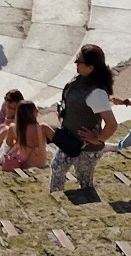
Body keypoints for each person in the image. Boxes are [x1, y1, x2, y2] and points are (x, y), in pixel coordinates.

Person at [51, 44, 119, 198]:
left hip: (86, 148)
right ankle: (55, 200)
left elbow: (112, 124)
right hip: (68, 139)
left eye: (78, 61)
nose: (76, 64)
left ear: (90, 67)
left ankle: (91, 206)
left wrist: (99, 139)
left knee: (85, 182)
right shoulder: (79, 80)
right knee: (57, 168)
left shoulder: (96, 93)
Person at [0, 99, 51, 172]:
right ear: (34, 112)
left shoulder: (14, 128)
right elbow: (57, 138)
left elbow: (9, 143)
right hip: (40, 162)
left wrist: (19, 142)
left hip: (23, 164)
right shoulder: (42, 127)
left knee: (5, 133)